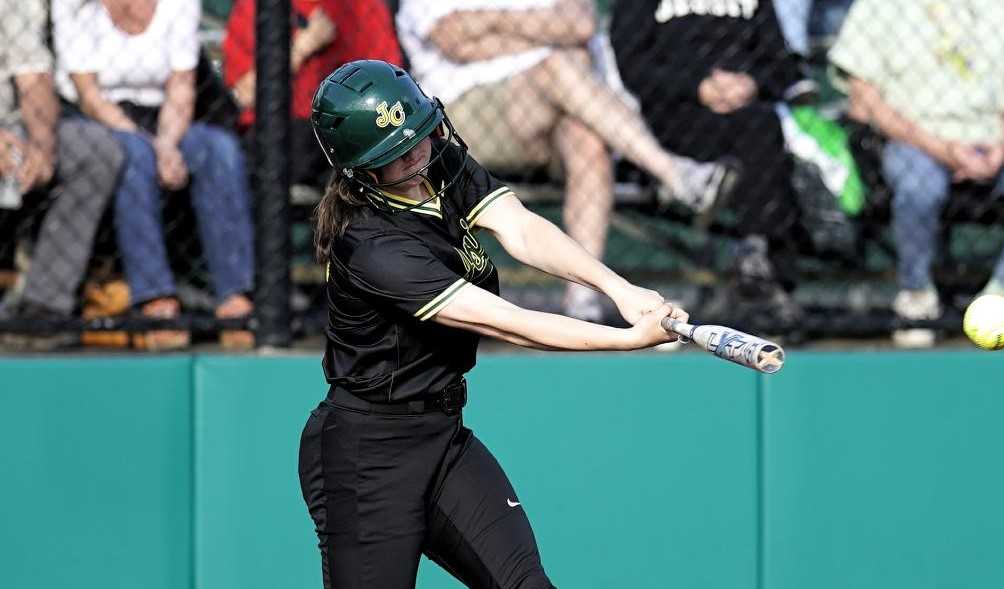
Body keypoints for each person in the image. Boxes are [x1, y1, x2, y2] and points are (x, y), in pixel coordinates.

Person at [138, 59, 685, 589]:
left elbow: (521, 226)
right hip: (367, 452)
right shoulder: (370, 243)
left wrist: (620, 289)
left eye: (421, 135)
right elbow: (507, 323)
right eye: (398, 154)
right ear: (362, 170)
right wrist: (625, 341)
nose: (419, 155)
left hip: (441, 433)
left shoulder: (437, 159)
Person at [396, 0, 732, 321]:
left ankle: (581, 298)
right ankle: (673, 173)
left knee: (588, 139)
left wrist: (490, 24)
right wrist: (543, 32)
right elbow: (453, 39)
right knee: (557, 63)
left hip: (561, 103)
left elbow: (582, 24)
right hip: (464, 111)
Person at [830, 0, 1004, 347]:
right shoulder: (879, 5)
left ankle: (1002, 294)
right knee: (918, 185)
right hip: (914, 139)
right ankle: (917, 295)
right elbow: (865, 98)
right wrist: (941, 148)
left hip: (993, 137)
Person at [52, 0, 256, 350]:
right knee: (134, 156)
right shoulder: (74, 5)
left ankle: (235, 298)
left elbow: (181, 86)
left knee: (217, 148)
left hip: (166, 118)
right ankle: (155, 300)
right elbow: (88, 96)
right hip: (96, 119)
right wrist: (150, 146)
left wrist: (167, 144)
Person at [611, 0, 813, 323]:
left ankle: (755, 257)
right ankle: (762, 266)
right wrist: (697, 87)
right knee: (759, 135)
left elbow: (779, 62)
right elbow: (633, 67)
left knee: (761, 127)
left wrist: (752, 84)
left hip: (747, 112)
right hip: (672, 117)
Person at [0, 0, 124, 350]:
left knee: (95, 150)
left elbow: (33, 73)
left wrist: (42, 146)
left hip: (12, 128)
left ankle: (42, 308)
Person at [223, 0, 403, 187]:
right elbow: (243, 96)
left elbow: (388, 80)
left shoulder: (361, 6)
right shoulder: (254, 7)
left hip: (346, 127)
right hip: (275, 131)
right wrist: (301, 48)